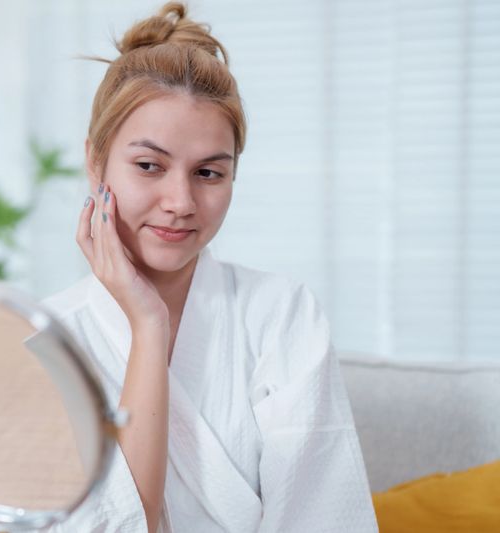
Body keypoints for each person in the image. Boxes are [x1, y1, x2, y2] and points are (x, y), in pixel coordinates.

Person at [42, 3, 378, 532]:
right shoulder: (47, 338)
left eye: (208, 173)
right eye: (149, 165)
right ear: (94, 161)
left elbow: (322, 517)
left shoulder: (282, 315)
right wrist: (148, 328)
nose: (180, 201)